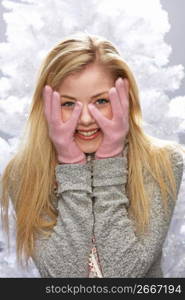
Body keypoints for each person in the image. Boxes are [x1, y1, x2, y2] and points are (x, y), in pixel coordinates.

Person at [0, 32, 184, 278]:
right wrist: (71, 164)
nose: (86, 119)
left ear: (124, 99)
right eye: (68, 104)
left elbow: (123, 275)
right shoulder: (25, 173)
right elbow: (63, 279)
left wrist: (109, 157)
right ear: (46, 107)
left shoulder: (162, 161)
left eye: (100, 101)